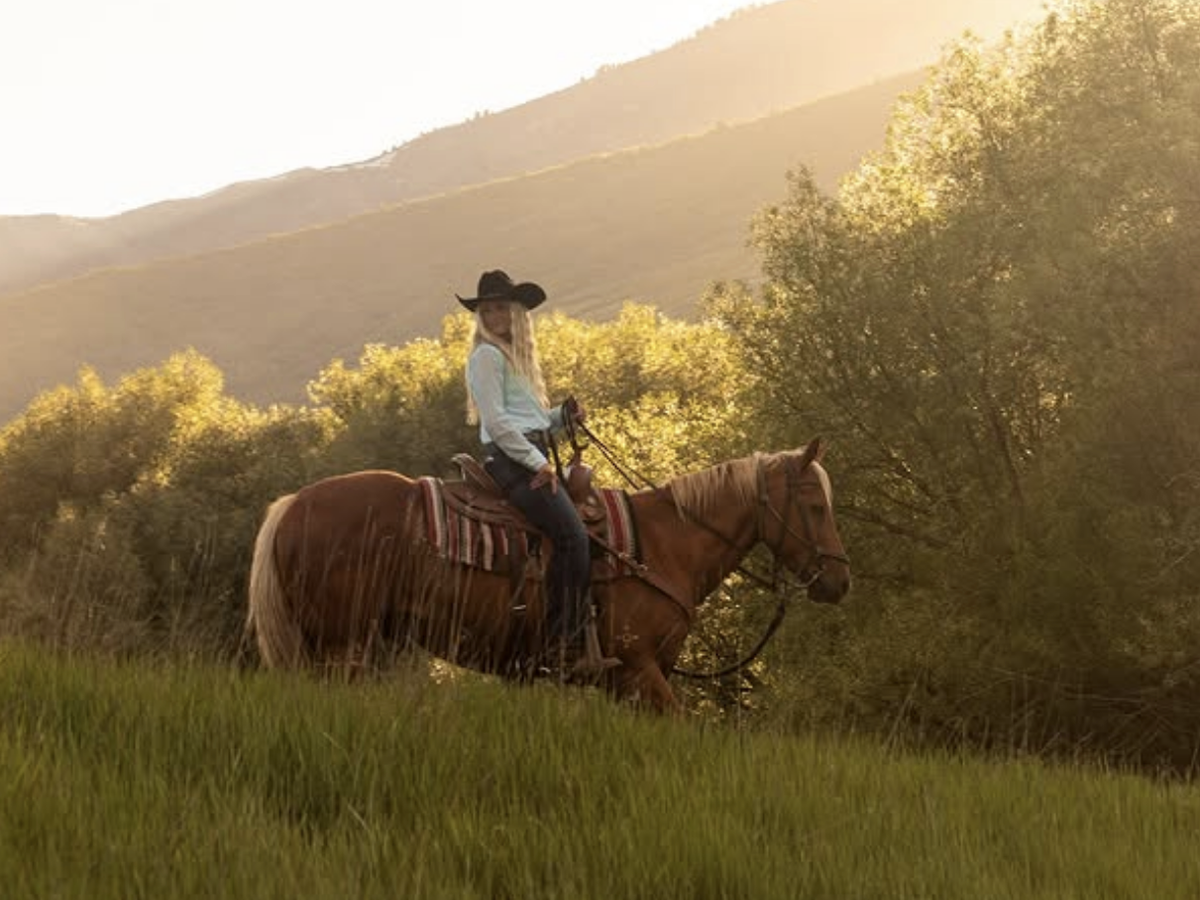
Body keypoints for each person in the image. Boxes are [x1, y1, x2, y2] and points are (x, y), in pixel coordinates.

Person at [457, 269, 620, 679]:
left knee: (578, 531)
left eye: (501, 307)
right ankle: (560, 644)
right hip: (510, 461)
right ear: (481, 317)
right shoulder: (486, 357)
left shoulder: (517, 360)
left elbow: (530, 420)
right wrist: (539, 463)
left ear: (517, 313)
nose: (495, 316)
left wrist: (562, 418)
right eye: (488, 309)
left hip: (528, 453)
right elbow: (496, 422)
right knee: (572, 538)